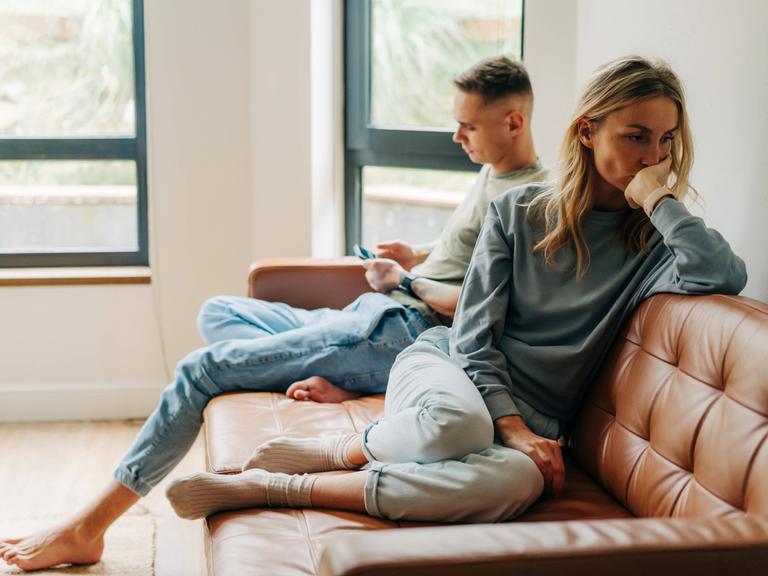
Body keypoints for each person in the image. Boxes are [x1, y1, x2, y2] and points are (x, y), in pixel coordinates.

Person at [0, 56, 547, 571]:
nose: (457, 136)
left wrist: (406, 281)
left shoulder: (529, 202)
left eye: (468, 127)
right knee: (218, 311)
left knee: (201, 369)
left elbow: (484, 308)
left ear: (513, 121)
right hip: (376, 311)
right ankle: (339, 372)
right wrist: (419, 255)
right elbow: (469, 260)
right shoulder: (493, 173)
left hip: (403, 330)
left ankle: (89, 526)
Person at [161, 55, 747, 525]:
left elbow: (721, 273)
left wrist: (660, 200)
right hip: (452, 370)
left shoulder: (651, 242)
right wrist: (511, 427)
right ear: (587, 133)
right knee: (460, 425)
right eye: (638, 137)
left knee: (520, 482)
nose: (655, 158)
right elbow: (471, 338)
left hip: (536, 417)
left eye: (667, 141)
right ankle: (351, 448)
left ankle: (282, 487)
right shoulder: (519, 211)